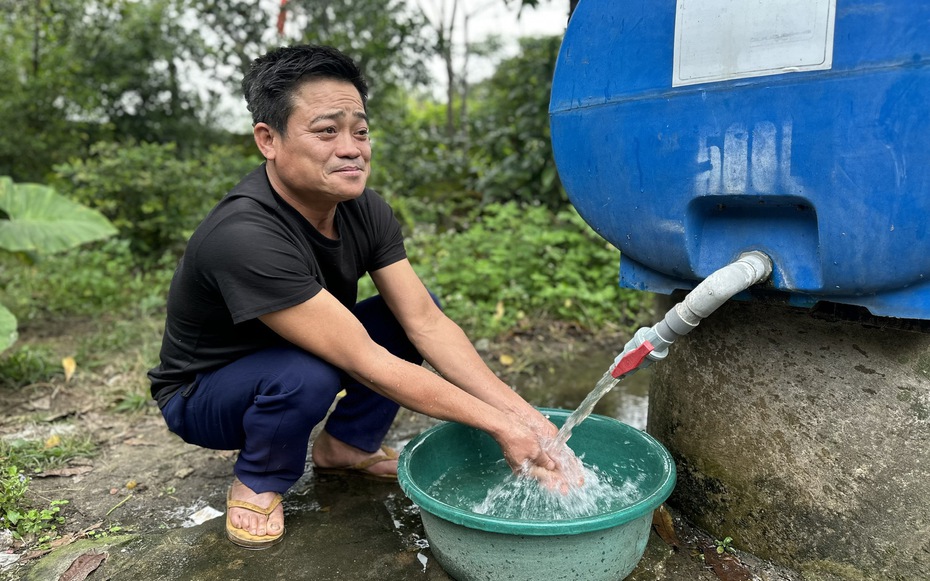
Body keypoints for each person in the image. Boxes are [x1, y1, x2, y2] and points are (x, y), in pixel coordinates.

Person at [147, 44, 572, 550]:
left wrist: (525, 415)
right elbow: (366, 360)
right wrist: (500, 426)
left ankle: (345, 447)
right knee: (307, 375)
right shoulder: (244, 234)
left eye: (361, 131)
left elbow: (425, 324)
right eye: (326, 131)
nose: (352, 148)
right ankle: (260, 478)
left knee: (409, 310)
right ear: (268, 139)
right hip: (205, 393)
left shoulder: (363, 208)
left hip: (302, 349)